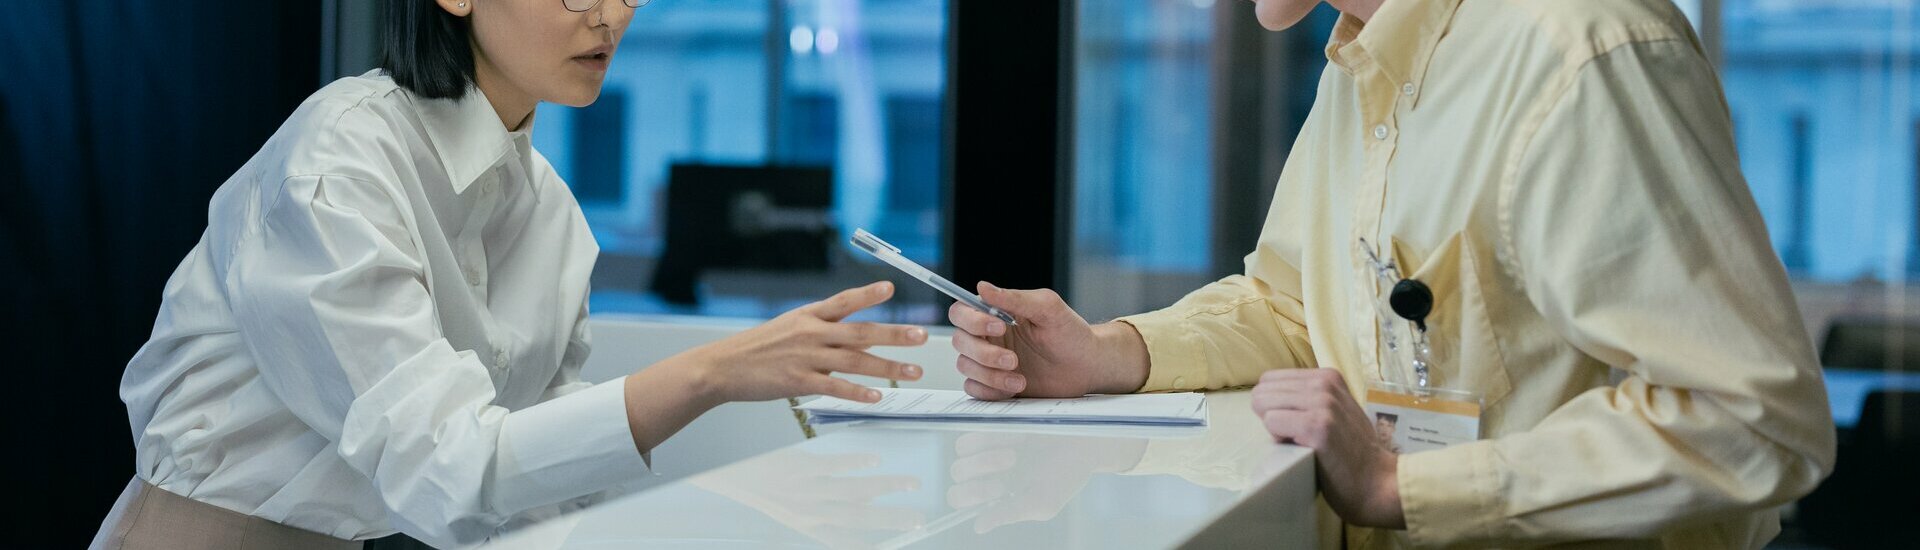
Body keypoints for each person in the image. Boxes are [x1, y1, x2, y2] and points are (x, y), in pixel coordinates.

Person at [946, 0, 1836, 547]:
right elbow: (1293, 304)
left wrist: (1400, 486)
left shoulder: (1577, 52)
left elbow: (1752, 421)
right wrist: (1109, 353)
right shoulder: (1362, 63)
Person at [96, 0, 929, 547]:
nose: (609, 17)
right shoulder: (336, 165)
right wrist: (711, 373)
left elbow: (535, 505)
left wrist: (745, 521)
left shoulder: (552, 215)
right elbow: (450, 470)